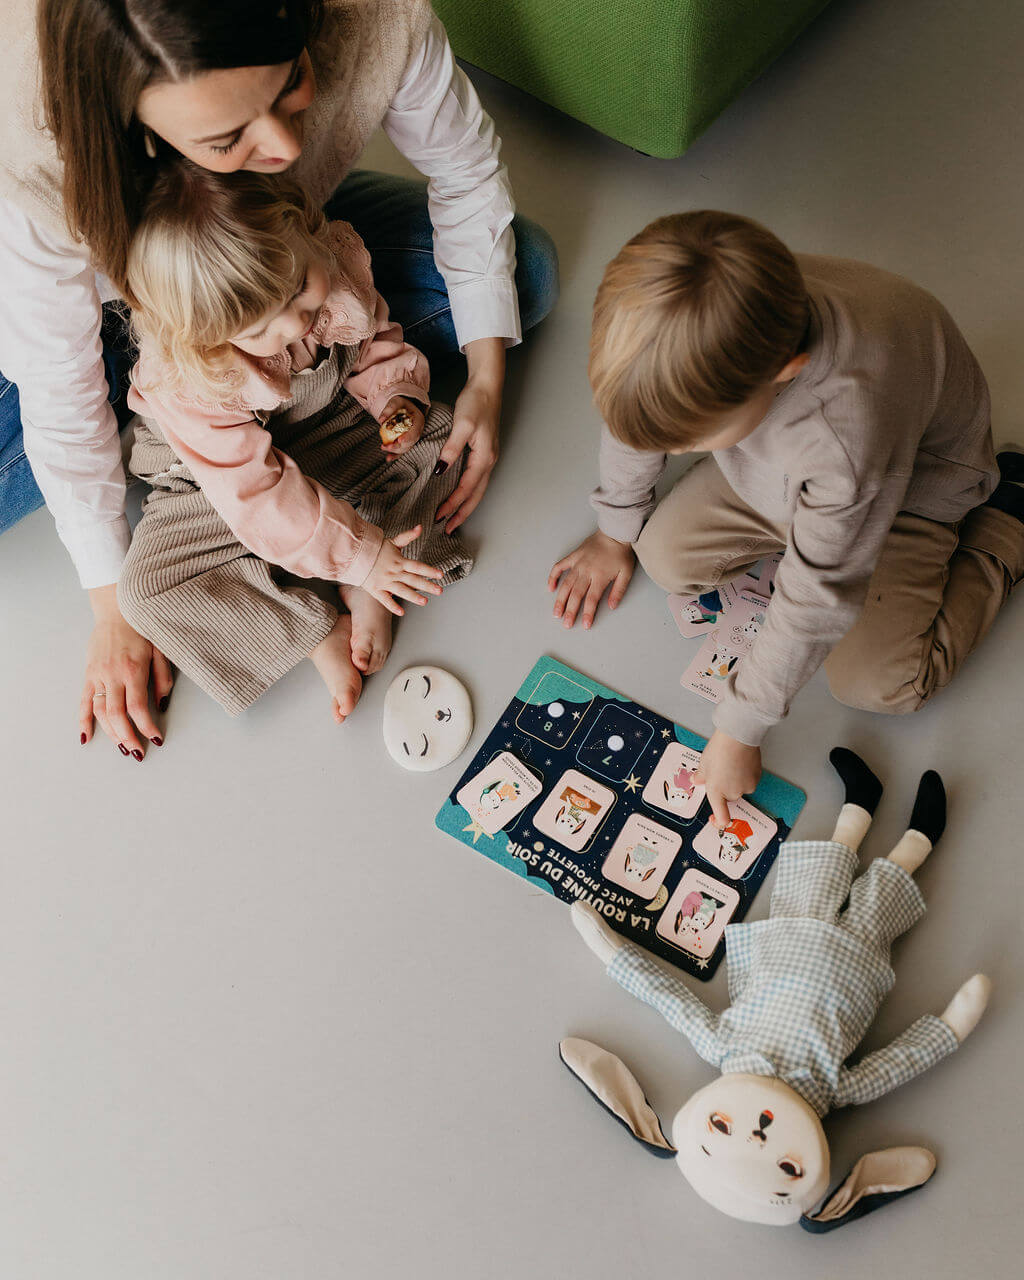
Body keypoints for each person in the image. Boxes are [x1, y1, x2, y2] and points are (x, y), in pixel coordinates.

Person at [0, 0, 557, 757]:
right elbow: (60, 391)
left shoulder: (319, 270)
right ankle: (311, 608)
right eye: (227, 135)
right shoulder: (37, 163)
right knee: (138, 582)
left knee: (517, 276)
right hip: (170, 381)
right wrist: (107, 608)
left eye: (291, 80)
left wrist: (463, 387)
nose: (289, 142)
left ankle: (330, 519)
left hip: (281, 255)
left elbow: (428, 234)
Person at [549, 210, 1024, 823]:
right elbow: (636, 422)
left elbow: (819, 592)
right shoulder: (722, 300)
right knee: (662, 556)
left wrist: (740, 729)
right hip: (776, 471)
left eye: (689, 439)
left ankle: (1005, 527)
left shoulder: (843, 436)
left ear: (782, 374)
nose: (677, 450)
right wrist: (616, 527)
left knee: (880, 686)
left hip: (907, 495)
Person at [119, 162, 470, 722]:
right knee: (146, 590)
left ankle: (370, 577)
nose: (293, 325)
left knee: (450, 438)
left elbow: (374, 337)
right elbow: (256, 494)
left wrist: (394, 397)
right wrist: (358, 553)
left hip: (324, 426)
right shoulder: (190, 378)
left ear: (304, 228)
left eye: (300, 288)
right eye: (259, 329)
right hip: (217, 482)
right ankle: (314, 626)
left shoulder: (331, 262)